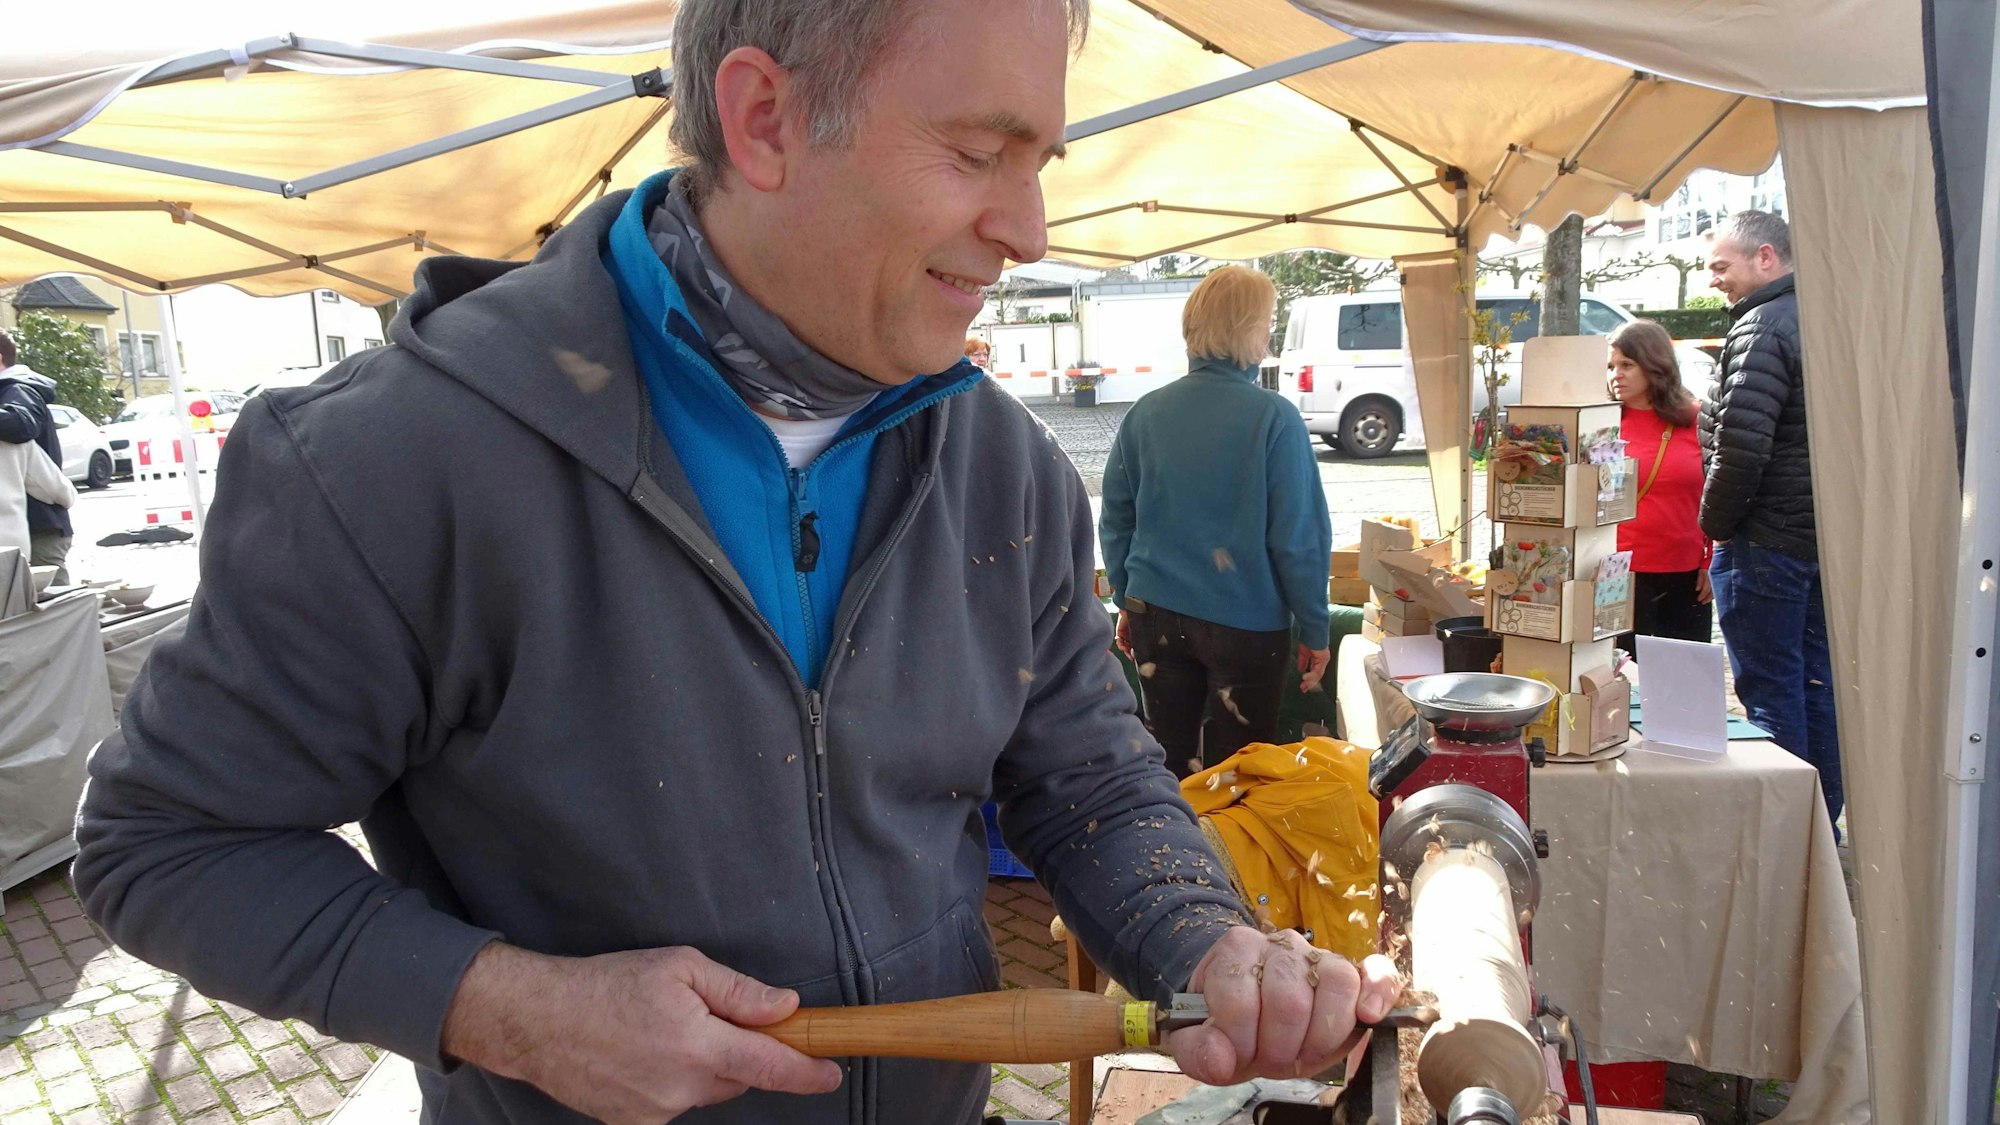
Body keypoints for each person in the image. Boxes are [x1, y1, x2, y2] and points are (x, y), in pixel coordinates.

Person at [72, 3, 1397, 1124]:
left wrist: (1201, 940)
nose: (1031, 229)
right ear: (764, 118)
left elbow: (1088, 771)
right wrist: (507, 1008)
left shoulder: (1006, 466)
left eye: (1040, 158)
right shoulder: (394, 460)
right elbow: (165, 841)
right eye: (982, 153)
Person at [1100, 266, 1332, 779]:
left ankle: (1173, 855)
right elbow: (1298, 539)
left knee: (1169, 762)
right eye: (1268, 322)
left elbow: (1116, 519)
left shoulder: (1145, 413)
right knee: (1239, 775)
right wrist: (1315, 627)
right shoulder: (1273, 417)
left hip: (1155, 613)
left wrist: (1125, 597)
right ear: (1250, 330)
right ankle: (1228, 859)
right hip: (1245, 624)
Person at [1699, 209, 1841, 824]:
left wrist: (1715, 525)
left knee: (1773, 691)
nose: (1713, 281)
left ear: (1765, 258)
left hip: (1767, 541)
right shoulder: (1821, 318)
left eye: (1720, 267)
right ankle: (1819, 820)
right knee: (1816, 688)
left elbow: (1743, 446)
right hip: (1815, 539)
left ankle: (1785, 835)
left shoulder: (1762, 325)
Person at [1605, 319, 1711, 650]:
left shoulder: (1698, 420)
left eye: (1627, 364)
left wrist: (1710, 561)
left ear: (1654, 365)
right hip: (1618, 571)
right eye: (1610, 366)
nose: (1615, 374)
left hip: (1685, 571)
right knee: (1620, 676)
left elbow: (1716, 492)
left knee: (1682, 678)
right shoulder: (1600, 423)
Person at [0, 331, 74, 583]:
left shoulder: (19, 389)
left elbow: (20, 425)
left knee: (56, 610)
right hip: (31, 526)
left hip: (40, 526)